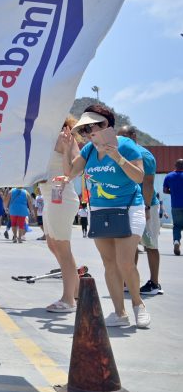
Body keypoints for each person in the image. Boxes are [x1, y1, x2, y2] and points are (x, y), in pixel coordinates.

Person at [60, 104, 150, 328]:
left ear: (107, 125)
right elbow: (70, 173)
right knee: (109, 263)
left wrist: (117, 157)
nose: (90, 132)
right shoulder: (89, 150)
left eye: (94, 126)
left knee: (125, 262)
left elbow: (139, 177)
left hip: (128, 208)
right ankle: (120, 314)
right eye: (85, 129)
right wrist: (67, 148)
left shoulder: (127, 145)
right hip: (100, 211)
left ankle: (138, 305)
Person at [40, 116, 82, 313]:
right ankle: (77, 291)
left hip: (62, 197)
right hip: (50, 197)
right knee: (53, 245)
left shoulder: (65, 137)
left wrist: (66, 149)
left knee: (63, 249)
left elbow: (75, 168)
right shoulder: (43, 138)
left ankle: (68, 300)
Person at [118, 125, 163, 295]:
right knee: (131, 246)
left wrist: (146, 207)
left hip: (146, 206)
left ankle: (154, 283)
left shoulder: (144, 155)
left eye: (124, 136)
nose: (121, 140)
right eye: (119, 137)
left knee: (151, 245)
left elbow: (149, 184)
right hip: (128, 206)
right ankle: (130, 281)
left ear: (133, 136)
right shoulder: (122, 155)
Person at [163, 158, 183, 256]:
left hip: (176, 206)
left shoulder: (169, 176)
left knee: (177, 226)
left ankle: (176, 241)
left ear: (175, 165)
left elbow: (165, 190)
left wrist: (173, 192)